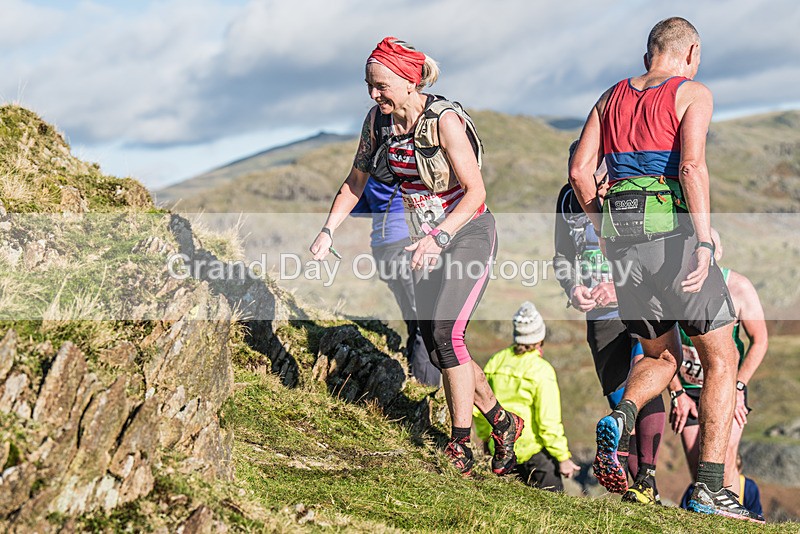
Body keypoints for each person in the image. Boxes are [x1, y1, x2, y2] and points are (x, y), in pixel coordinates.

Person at [569, 17, 764, 522]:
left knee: (661, 355)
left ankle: (623, 413)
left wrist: (604, 228)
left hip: (625, 248)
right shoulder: (692, 92)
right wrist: (703, 240)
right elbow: (691, 167)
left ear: (648, 54)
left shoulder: (609, 98)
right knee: (721, 356)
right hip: (673, 239)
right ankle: (711, 489)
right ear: (691, 51)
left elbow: (578, 171)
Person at [310, 37, 521, 476]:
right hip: (423, 241)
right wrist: (328, 231)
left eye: (381, 86)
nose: (374, 95)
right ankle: (502, 421)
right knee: (441, 343)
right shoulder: (378, 123)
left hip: (467, 233)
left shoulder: (443, 120)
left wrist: (439, 237)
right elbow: (355, 181)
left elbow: (477, 191)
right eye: (369, 86)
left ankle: (459, 445)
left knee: (446, 333)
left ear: (409, 81)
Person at [554, 147, 666, 504]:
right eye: (583, 175)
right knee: (619, 398)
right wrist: (573, 287)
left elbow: (656, 254)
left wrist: (619, 287)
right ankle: (637, 487)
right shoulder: (567, 199)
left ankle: (646, 478)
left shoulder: (629, 191)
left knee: (644, 384)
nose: (594, 184)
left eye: (598, 174)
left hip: (643, 304)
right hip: (599, 316)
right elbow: (561, 256)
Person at [669, 229, 768, 488]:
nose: (700, 257)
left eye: (707, 249)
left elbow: (760, 340)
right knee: (698, 471)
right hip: (689, 393)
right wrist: (677, 393)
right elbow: (658, 348)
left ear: (718, 252)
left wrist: (739, 386)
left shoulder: (738, 287)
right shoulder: (671, 287)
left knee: (723, 464)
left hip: (727, 389)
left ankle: (734, 520)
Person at [474, 302, 580, 491]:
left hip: (500, 450)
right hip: (534, 454)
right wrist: (563, 457)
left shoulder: (496, 361)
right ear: (540, 338)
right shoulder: (541, 370)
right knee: (553, 508)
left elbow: (482, 408)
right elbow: (548, 423)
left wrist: (485, 439)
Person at [351, 178, 441, 386]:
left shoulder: (372, 174)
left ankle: (415, 375)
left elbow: (355, 208)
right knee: (425, 321)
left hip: (382, 249)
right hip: (405, 246)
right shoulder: (405, 169)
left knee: (414, 316)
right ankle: (425, 387)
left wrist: (380, 202)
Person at [680, 454, 764, 519]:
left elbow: (756, 514)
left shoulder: (749, 487)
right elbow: (683, 510)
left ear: (739, 470)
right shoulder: (698, 487)